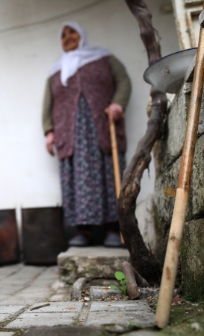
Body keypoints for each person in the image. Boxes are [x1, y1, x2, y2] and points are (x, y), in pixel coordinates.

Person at [42, 21, 131, 248]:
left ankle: (113, 228)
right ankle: (84, 231)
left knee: (109, 174)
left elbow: (123, 81)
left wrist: (117, 104)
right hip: (69, 134)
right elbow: (48, 103)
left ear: (82, 34)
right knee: (75, 180)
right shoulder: (55, 70)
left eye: (72, 32)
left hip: (101, 128)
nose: (68, 37)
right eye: (63, 35)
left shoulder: (103, 58)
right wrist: (49, 131)